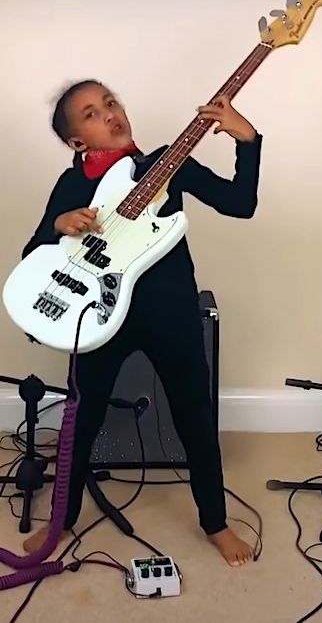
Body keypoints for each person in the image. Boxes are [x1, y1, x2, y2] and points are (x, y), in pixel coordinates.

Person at [19, 80, 257, 566]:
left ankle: (215, 521)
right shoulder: (71, 186)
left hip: (170, 313)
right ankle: (63, 517)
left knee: (194, 415)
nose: (110, 113)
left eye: (111, 102)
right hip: (98, 316)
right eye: (92, 113)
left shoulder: (168, 162)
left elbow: (241, 203)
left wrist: (247, 141)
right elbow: (35, 253)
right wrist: (59, 225)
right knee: (82, 417)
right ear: (76, 141)